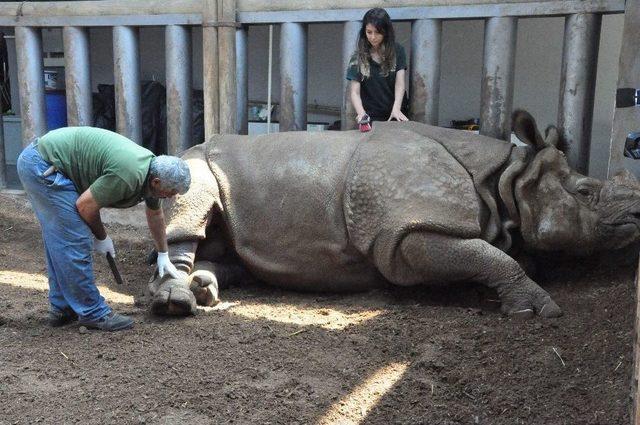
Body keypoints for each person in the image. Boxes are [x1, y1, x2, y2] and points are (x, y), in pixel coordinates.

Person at [17, 127, 191, 331]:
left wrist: (163, 253)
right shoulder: (129, 175)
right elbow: (85, 206)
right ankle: (93, 313)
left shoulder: (153, 171)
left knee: (61, 239)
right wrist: (102, 237)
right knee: (75, 239)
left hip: (48, 161)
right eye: (171, 192)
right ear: (157, 182)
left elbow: (155, 214)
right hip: (44, 166)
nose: (171, 197)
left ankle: (62, 308)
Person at [346, 7, 409, 124]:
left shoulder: (398, 50)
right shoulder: (357, 57)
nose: (373, 37)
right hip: (372, 116)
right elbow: (354, 92)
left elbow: (400, 84)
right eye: (369, 32)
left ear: (386, 32)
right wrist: (361, 114)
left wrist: (396, 109)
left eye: (378, 32)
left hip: (397, 113)